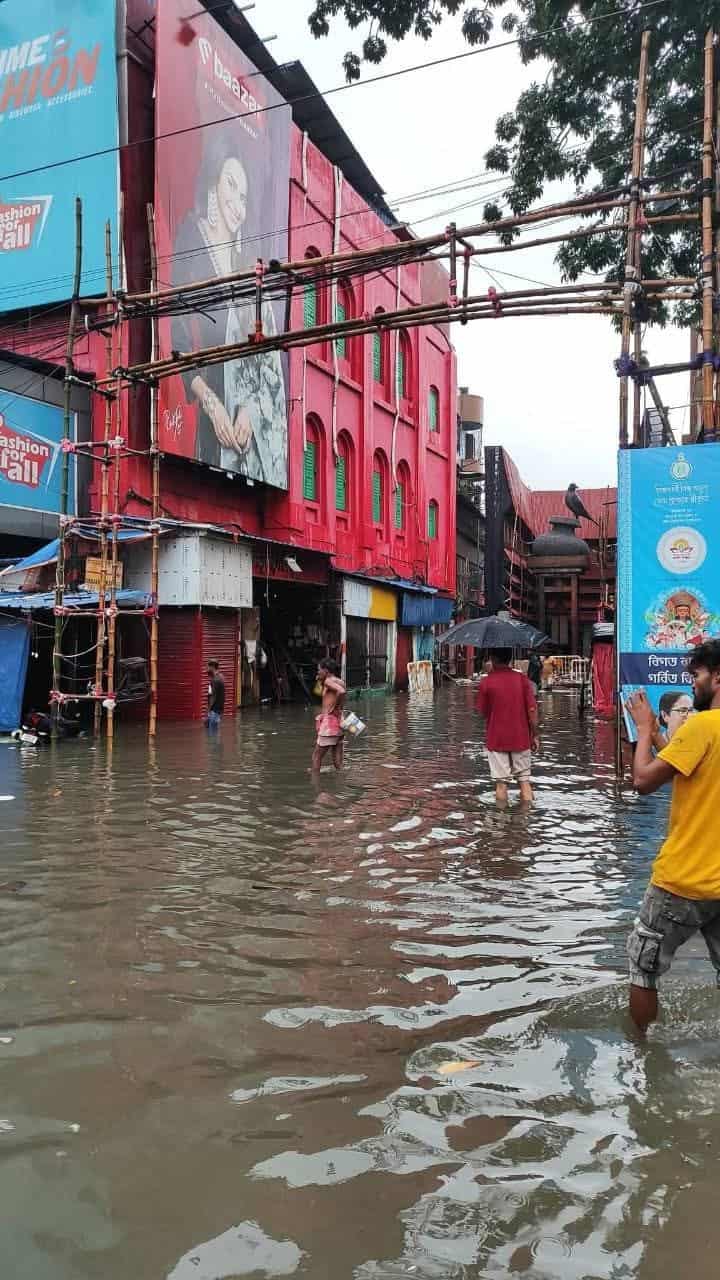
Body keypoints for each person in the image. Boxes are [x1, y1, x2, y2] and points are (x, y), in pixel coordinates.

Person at [171, 132, 288, 483]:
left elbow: (266, 357)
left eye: (243, 194)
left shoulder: (244, 262)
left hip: (248, 430)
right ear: (213, 183)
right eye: (231, 185)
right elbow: (175, 336)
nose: (237, 201)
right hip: (212, 419)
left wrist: (251, 411)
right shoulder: (191, 238)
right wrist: (209, 401)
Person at [626, 640, 720, 1034]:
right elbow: (686, 764)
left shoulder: (702, 725)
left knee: (643, 968)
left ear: (717, 677)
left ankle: (642, 1056)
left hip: (682, 881)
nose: (693, 685)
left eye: (696, 676)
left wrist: (645, 730)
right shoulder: (701, 734)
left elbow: (643, 780)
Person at [476, 648, 539, 806]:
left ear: (492, 659)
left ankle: (501, 825)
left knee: (501, 784)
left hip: (497, 739)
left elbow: (483, 712)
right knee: (524, 782)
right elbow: (532, 710)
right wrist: (535, 735)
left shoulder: (486, 682)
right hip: (521, 738)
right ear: (510, 659)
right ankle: (525, 822)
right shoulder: (522, 679)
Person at [312, 658, 346, 773]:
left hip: (330, 724)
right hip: (339, 721)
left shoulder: (328, 681)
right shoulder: (339, 681)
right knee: (338, 762)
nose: (317, 672)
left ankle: (315, 781)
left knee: (317, 756)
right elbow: (319, 693)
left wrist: (333, 708)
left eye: (319, 670)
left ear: (326, 671)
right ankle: (342, 782)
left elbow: (341, 691)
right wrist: (320, 681)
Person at [207, 659, 225, 729]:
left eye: (208, 667)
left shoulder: (215, 680)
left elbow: (213, 696)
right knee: (214, 735)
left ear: (212, 667)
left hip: (214, 711)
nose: (207, 669)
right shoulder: (221, 677)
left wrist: (208, 712)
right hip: (218, 711)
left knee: (212, 735)